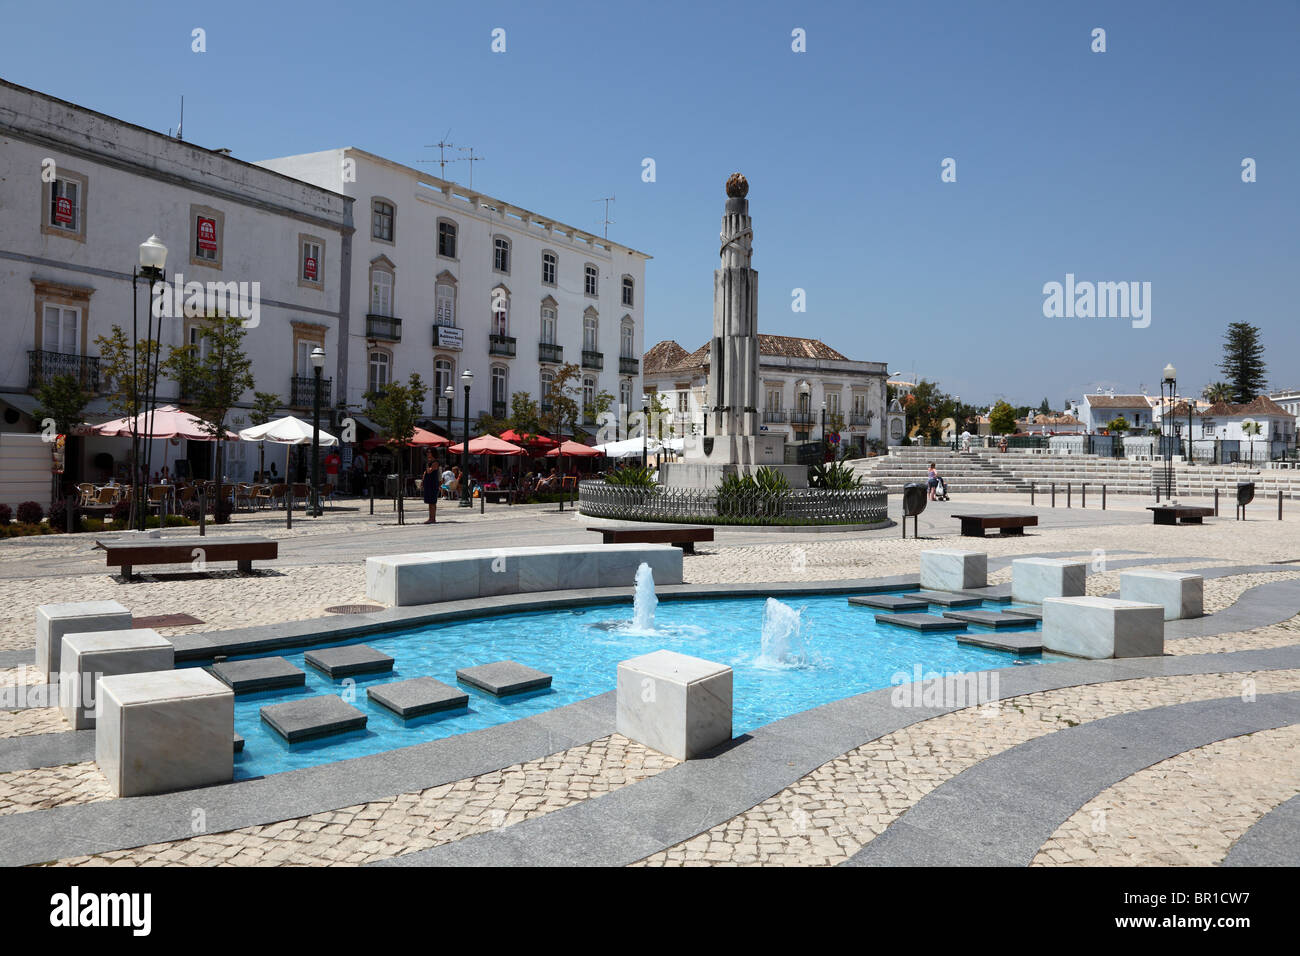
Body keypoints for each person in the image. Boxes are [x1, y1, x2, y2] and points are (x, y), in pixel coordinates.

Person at [422, 451, 439, 523]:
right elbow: (425, 473)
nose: (428, 454)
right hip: (428, 484)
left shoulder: (435, 463)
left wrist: (426, 464)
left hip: (432, 484)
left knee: (432, 502)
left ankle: (432, 518)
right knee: (430, 502)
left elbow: (429, 471)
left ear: (433, 453)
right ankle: (431, 518)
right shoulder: (430, 463)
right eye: (427, 452)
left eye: (429, 452)